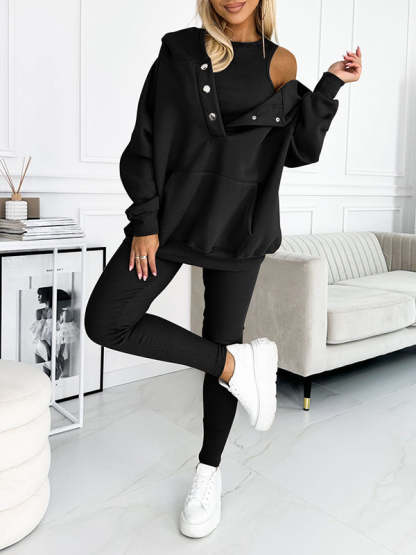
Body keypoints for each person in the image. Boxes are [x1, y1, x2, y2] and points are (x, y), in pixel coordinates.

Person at [84, 0, 362, 539]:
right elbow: (145, 135)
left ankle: (208, 473)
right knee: (108, 319)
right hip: (171, 222)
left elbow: (296, 150)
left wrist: (329, 85)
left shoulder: (281, 62)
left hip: (241, 226)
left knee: (222, 333)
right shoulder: (180, 50)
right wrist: (144, 220)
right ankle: (236, 366)